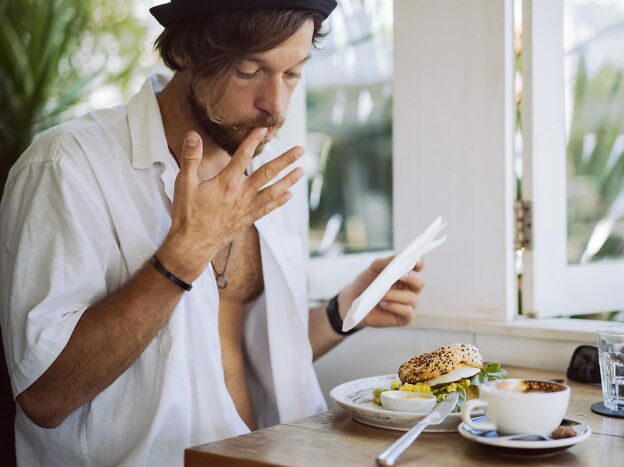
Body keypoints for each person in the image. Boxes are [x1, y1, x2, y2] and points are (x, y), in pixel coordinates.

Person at [0, 1, 426, 465]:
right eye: (249, 71)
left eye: (293, 74)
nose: (275, 106)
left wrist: (345, 313)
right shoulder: (68, 167)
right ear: (185, 51)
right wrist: (184, 253)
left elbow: (237, 353)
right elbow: (44, 397)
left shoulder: (267, 172)